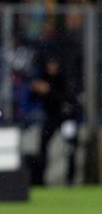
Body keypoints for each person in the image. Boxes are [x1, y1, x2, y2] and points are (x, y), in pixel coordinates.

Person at [29, 55, 80, 185]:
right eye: (49, 65)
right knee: (43, 146)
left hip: (67, 118)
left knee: (71, 148)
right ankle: (40, 179)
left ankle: (71, 179)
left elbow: (68, 98)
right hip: (51, 117)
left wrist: (49, 91)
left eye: (53, 64)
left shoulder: (64, 78)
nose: (51, 67)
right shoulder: (44, 77)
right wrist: (35, 90)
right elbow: (33, 98)